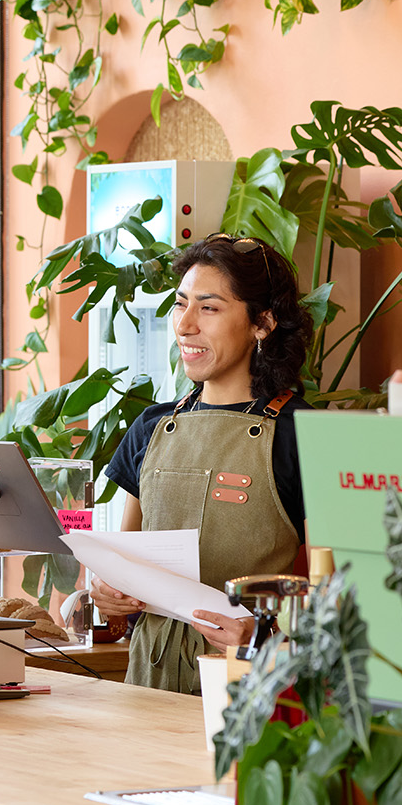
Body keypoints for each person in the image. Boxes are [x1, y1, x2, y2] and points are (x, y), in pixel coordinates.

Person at [95, 234, 315, 695]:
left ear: (263, 323)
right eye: (181, 304)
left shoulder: (302, 434)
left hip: (249, 689)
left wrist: (264, 637)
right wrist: (110, 596)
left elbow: (337, 594)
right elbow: (119, 567)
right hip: (147, 688)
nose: (185, 325)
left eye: (209, 308)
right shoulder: (151, 427)